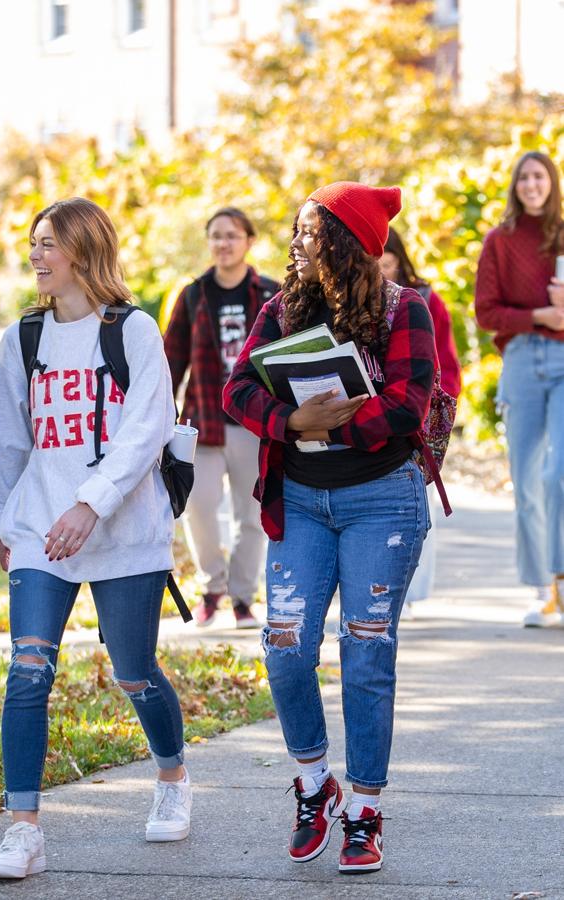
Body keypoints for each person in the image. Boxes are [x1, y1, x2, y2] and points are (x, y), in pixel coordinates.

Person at [224, 182, 436, 873]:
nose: (300, 245)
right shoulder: (282, 311)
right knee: (286, 645)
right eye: (298, 233)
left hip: (382, 498)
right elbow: (237, 389)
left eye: (313, 234)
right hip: (303, 500)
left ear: (349, 243)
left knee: (366, 650)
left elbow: (410, 402)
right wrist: (292, 421)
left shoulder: (410, 309)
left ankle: (366, 811)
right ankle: (316, 784)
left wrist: (346, 427)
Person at [0, 197, 190, 880]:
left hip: (125, 528)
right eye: (33, 243)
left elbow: (144, 432)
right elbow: (7, 437)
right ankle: (23, 829)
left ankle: (172, 777)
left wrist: (89, 505)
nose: (37, 256)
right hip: (43, 528)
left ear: (83, 250)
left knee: (133, 671)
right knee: (28, 669)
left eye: (49, 244)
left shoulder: (132, 331)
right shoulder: (24, 338)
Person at [163, 207, 279, 628]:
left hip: (254, 423)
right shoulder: (193, 295)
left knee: (252, 517)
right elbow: (169, 360)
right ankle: (214, 588)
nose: (223, 244)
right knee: (199, 507)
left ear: (249, 240)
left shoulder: (272, 294)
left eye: (232, 235)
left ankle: (243, 598)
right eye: (215, 236)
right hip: (203, 423)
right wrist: (162, 418)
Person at [475, 151, 564, 628]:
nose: (532, 185)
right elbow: (486, 313)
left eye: (540, 177)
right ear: (515, 185)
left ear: (552, 183)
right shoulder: (499, 240)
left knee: (558, 474)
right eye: (525, 177)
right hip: (522, 359)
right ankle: (543, 590)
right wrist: (538, 316)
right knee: (526, 479)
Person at [379, 227, 462, 615]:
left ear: (398, 256)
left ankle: (410, 591)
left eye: (386, 255)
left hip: (419, 413)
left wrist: (438, 409)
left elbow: (447, 359)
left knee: (416, 499)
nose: (379, 263)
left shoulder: (425, 300)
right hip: (377, 414)